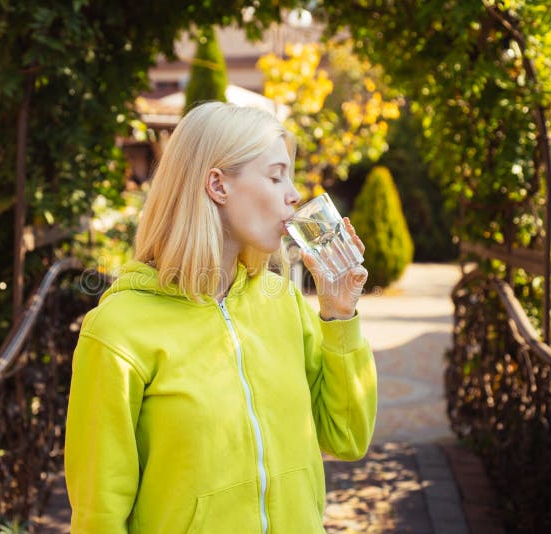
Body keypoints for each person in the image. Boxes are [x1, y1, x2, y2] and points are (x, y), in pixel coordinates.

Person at [65, 102, 377, 533]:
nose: (293, 194)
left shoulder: (282, 303)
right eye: (275, 175)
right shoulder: (118, 331)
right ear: (217, 185)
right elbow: (99, 513)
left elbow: (347, 437)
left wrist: (339, 316)